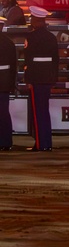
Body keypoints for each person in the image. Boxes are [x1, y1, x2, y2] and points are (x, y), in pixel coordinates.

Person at [23, 6, 58, 152]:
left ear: (35, 20)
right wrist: (53, 79)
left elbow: (28, 61)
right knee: (44, 111)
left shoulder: (31, 37)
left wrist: (28, 80)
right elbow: (56, 60)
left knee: (38, 113)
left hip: (36, 78)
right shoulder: (51, 37)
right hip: (47, 78)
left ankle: (40, 144)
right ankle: (47, 143)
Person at [0, 16, 15, 151]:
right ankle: (6, 142)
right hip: (4, 83)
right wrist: (12, 84)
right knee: (4, 113)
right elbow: (14, 66)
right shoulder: (9, 43)